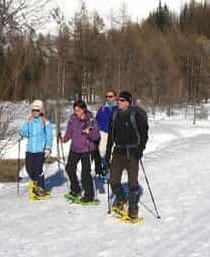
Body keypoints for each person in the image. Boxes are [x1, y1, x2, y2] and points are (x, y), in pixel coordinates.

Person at [105, 90, 149, 220]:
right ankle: (121, 198)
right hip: (118, 152)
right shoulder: (114, 115)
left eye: (122, 100)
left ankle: (133, 207)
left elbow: (144, 134)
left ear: (128, 102)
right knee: (113, 181)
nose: (119, 102)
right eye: (118, 100)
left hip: (132, 153)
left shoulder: (136, 114)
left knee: (132, 183)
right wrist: (107, 154)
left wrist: (140, 149)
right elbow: (110, 136)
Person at [60, 100, 101, 203]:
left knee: (85, 174)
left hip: (87, 150)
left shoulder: (91, 120)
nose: (76, 112)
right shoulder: (73, 118)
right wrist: (64, 139)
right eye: (75, 110)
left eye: (78, 110)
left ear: (84, 109)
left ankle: (89, 195)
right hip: (74, 148)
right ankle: (75, 189)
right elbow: (70, 131)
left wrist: (89, 133)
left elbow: (96, 137)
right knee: (69, 168)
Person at [19, 99, 54, 199]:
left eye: (37, 110)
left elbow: (49, 136)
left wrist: (48, 148)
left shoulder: (45, 123)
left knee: (38, 169)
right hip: (30, 149)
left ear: (41, 111)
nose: (35, 112)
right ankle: (36, 185)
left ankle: (41, 189)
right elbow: (23, 132)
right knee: (29, 169)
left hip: (40, 150)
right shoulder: (29, 121)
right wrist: (27, 123)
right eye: (33, 110)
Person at [93, 89, 118, 176]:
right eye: (107, 97)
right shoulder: (103, 108)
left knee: (113, 151)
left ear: (115, 97)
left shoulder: (118, 108)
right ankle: (104, 166)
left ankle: (112, 168)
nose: (108, 98)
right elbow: (96, 120)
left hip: (115, 133)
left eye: (110, 96)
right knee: (102, 151)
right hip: (103, 132)